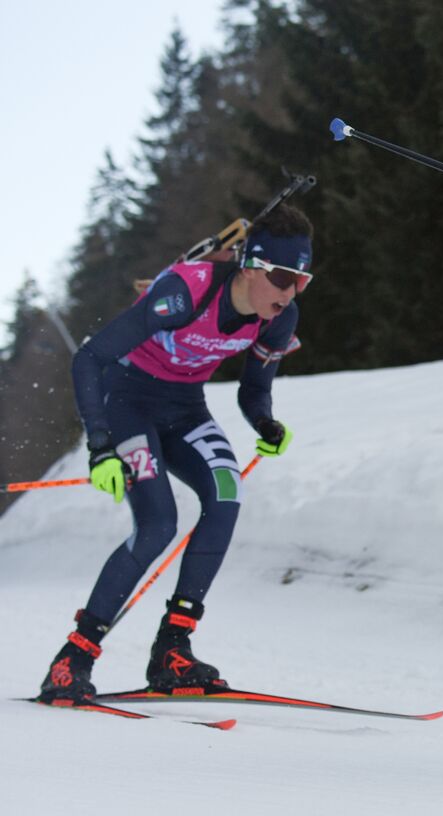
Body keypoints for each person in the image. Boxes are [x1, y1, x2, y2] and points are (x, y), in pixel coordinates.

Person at [36, 205, 314, 703]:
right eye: (281, 277)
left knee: (228, 492)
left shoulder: (279, 318)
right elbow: (90, 357)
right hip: (128, 404)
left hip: (185, 408)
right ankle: (73, 658)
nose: (290, 292)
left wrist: (266, 423)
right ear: (250, 265)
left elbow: (253, 392)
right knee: (158, 524)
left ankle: (173, 649)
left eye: (301, 280)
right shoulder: (187, 292)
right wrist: (100, 447)